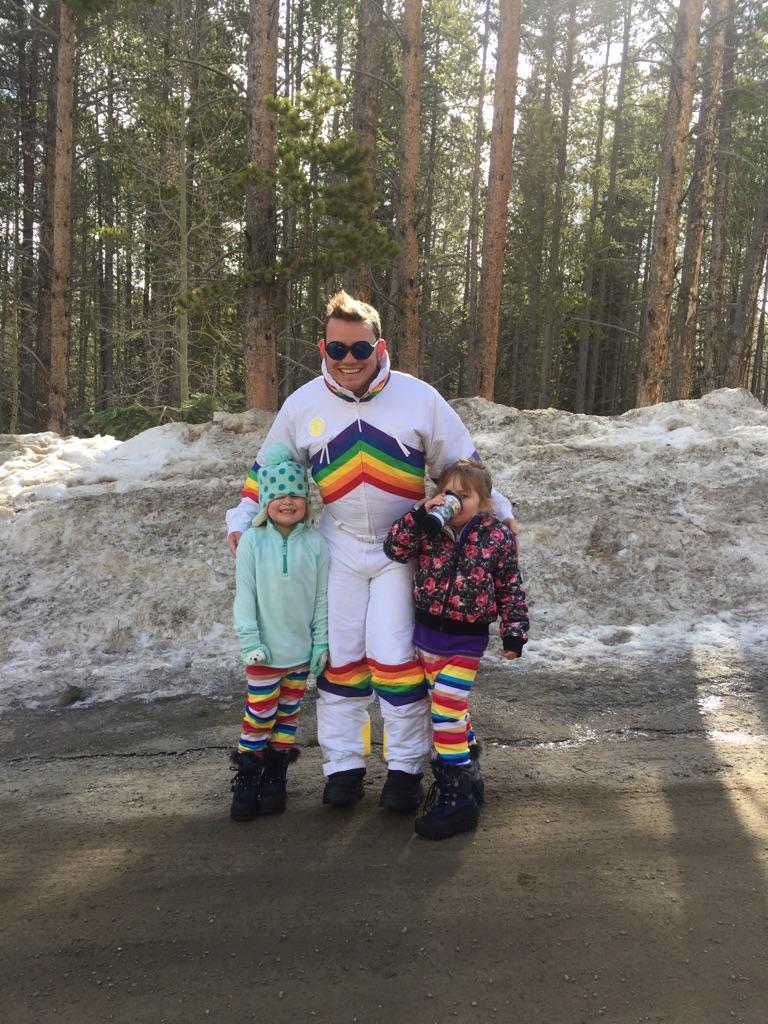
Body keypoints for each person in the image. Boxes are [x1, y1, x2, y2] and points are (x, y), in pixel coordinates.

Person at [226, 290, 517, 811]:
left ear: (379, 348)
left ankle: (405, 769)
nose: (349, 360)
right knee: (339, 660)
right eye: (337, 349)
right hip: (337, 545)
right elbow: (267, 468)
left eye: (360, 349)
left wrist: (499, 511)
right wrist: (244, 519)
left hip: (402, 549)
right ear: (323, 348)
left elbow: (463, 465)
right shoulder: (302, 404)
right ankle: (343, 766)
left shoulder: (418, 397)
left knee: (395, 658)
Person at [383, 458, 529, 840]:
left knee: (446, 712)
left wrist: (514, 633)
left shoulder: (496, 537)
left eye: (464, 496)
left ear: (484, 503)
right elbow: (394, 548)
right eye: (447, 493)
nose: (453, 501)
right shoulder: (430, 528)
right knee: (450, 709)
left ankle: (457, 797)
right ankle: (471, 774)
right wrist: (420, 515)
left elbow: (510, 586)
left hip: (466, 641)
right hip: (426, 638)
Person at [229, 443, 329, 821]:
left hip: (299, 654)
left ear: (306, 500)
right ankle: (247, 777)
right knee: (259, 717)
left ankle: (275, 777)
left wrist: (320, 643)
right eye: (279, 494)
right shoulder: (252, 542)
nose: (288, 502)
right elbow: (245, 598)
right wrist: (250, 642)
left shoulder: (316, 544)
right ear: (266, 500)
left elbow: (321, 598)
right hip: (265, 654)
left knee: (287, 719)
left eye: (296, 494)